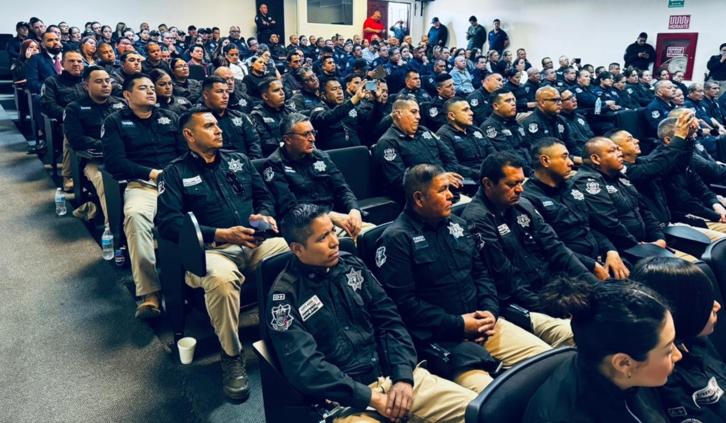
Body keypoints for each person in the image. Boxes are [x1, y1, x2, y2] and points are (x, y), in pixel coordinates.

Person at [266, 203, 476, 422]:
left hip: (396, 378)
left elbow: (390, 321)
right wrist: (371, 398)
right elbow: (307, 368)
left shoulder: (352, 265)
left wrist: (403, 376)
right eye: (322, 238)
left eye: (332, 231)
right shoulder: (284, 298)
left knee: (480, 412)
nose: (334, 241)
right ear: (297, 249)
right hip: (349, 402)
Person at [377, 163, 570, 392]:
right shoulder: (396, 239)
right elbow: (404, 304)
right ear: (419, 198)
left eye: (450, 188)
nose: (451, 195)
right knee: (492, 397)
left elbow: (482, 275)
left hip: (486, 325)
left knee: (552, 362)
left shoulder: (458, 225)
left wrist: (490, 312)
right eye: (442, 190)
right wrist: (459, 324)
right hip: (443, 338)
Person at [157, 107, 287, 400]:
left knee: (294, 252)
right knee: (221, 280)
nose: (218, 129)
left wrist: (264, 216)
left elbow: (264, 196)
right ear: (189, 135)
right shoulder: (174, 173)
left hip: (252, 243)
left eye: (217, 124)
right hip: (211, 250)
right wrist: (220, 234)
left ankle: (290, 331)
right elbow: (168, 223)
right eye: (209, 126)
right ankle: (231, 354)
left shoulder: (238, 160)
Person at [523, 280, 681, 422]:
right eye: (668, 350)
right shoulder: (564, 416)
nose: (678, 355)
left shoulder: (629, 375)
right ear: (624, 363)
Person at [461, 152, 597, 315]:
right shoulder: (477, 219)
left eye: (521, 182)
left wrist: (595, 286)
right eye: (511, 184)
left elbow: (556, 247)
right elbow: (506, 279)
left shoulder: (523, 204)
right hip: (522, 301)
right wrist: (553, 311)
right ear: (488, 183)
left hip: (553, 285)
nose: (520, 189)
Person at [102, 73, 187, 319]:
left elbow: (184, 152)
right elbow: (115, 162)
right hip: (142, 185)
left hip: (176, 183)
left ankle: (196, 278)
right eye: (143, 88)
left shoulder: (170, 117)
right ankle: (150, 293)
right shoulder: (115, 122)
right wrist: (150, 173)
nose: (151, 91)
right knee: (135, 216)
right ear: (127, 95)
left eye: (152, 87)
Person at [632, 257, 726, 423]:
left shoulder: (697, 339)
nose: (717, 305)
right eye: (704, 302)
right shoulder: (660, 379)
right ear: (682, 312)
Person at [524, 138, 629, 282]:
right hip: (569, 273)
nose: (571, 163)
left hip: (598, 258)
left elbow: (590, 226)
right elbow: (550, 247)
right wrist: (592, 266)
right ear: (545, 161)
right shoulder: (529, 199)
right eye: (564, 157)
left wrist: (610, 250)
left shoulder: (570, 186)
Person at [263, 113, 368, 239]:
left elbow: (342, 188)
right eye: (305, 134)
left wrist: (354, 210)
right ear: (288, 140)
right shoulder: (275, 164)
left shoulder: (320, 156)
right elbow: (289, 207)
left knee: (372, 234)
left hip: (336, 220)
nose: (312, 139)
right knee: (358, 240)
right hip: (305, 228)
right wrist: (329, 215)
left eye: (313, 133)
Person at [569, 137, 669, 252]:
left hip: (645, 244)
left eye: (618, 149)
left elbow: (644, 210)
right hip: (619, 250)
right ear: (596, 159)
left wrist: (659, 238)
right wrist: (636, 245)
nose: (620, 154)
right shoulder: (587, 182)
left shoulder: (620, 176)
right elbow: (607, 223)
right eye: (612, 151)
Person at [373, 95, 467, 203]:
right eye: (413, 112)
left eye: (418, 112)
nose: (418, 117)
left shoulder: (424, 131)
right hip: (419, 201)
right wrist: (439, 179)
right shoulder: (388, 142)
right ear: (398, 114)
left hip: (449, 191)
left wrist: (445, 181)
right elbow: (399, 181)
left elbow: (450, 158)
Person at [64, 66, 126, 224]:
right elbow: (76, 139)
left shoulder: (121, 104)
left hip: (127, 156)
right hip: (96, 160)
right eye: (99, 81)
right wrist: (109, 145)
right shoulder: (74, 108)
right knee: (106, 182)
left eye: (107, 81)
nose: (105, 85)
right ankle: (113, 228)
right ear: (86, 85)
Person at [40, 50, 86, 192]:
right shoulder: (52, 81)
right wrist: (71, 116)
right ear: (62, 64)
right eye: (71, 61)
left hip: (92, 117)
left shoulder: (88, 81)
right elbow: (49, 106)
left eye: (79, 61)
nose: (76, 64)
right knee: (73, 131)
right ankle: (68, 176)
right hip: (65, 121)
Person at [200, 76, 262, 158]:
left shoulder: (240, 116)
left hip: (247, 163)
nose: (225, 96)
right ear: (206, 95)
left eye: (227, 92)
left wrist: (251, 163)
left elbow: (254, 143)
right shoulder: (196, 120)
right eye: (220, 91)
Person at [436, 99, 493, 178]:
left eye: (470, 109)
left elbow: (492, 153)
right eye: (465, 110)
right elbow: (453, 165)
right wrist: (482, 173)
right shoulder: (444, 135)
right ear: (452, 116)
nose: (471, 113)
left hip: (487, 174)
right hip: (468, 179)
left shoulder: (476, 130)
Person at [521, 86, 581, 162]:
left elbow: (572, 145)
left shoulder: (560, 120)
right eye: (555, 100)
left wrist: (583, 158)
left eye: (560, 100)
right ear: (542, 102)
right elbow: (544, 153)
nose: (560, 103)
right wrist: (574, 159)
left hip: (566, 158)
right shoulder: (533, 124)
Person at [309, 78, 370, 150]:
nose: (339, 92)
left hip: (357, 150)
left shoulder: (350, 106)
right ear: (323, 95)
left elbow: (368, 123)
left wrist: (377, 103)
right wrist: (354, 100)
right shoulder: (317, 109)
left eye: (340, 88)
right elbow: (327, 117)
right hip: (334, 154)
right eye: (334, 89)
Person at [480, 88, 532, 171]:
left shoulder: (514, 122)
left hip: (529, 165)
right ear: (496, 106)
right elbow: (508, 154)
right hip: (513, 169)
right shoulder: (490, 126)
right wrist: (531, 172)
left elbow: (528, 146)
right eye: (508, 101)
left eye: (513, 100)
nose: (513, 103)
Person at [250, 77, 293, 156]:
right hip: (275, 156)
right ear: (265, 96)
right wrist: (293, 143)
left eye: (282, 89)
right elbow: (266, 143)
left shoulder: (290, 110)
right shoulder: (257, 115)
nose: (282, 93)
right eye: (276, 90)